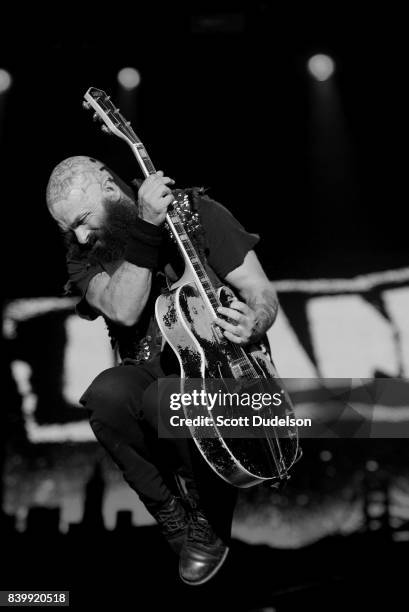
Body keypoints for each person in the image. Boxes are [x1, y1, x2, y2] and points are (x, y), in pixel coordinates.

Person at [46, 156, 279, 585]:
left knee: (170, 396)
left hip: (222, 380)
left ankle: (208, 516)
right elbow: (123, 309)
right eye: (68, 230)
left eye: (81, 219)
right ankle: (173, 514)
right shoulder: (84, 257)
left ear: (111, 190)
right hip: (151, 374)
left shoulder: (195, 211)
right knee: (106, 395)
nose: (78, 235)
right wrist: (147, 228)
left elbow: (260, 290)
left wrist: (255, 319)